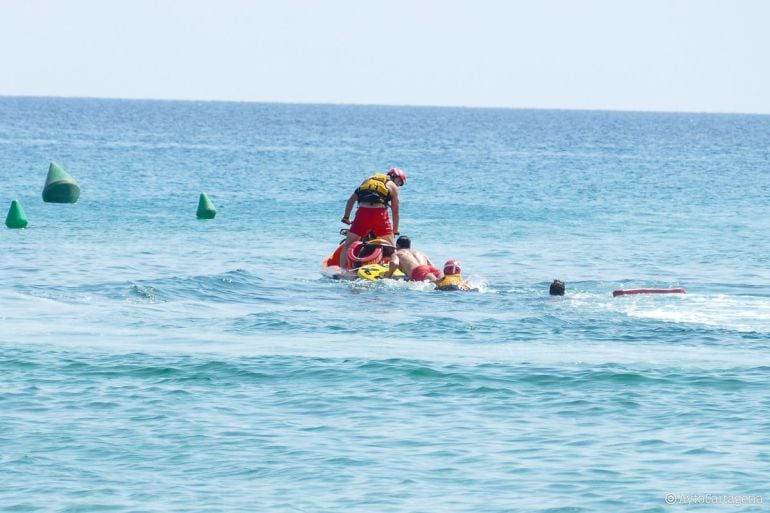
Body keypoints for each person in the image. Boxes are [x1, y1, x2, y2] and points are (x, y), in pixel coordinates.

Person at [339, 167, 406, 270]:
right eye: (399, 182)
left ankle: (343, 271)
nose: (398, 185)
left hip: (362, 213)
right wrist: (395, 230)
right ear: (394, 176)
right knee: (391, 248)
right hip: (379, 214)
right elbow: (395, 211)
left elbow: (351, 200)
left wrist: (346, 217)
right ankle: (393, 270)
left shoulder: (368, 179)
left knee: (348, 244)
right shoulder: (392, 186)